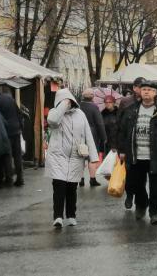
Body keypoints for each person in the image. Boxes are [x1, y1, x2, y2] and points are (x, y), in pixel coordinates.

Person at [117, 81, 157, 225]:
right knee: (137, 184)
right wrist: (122, 150)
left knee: (156, 186)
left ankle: (155, 212)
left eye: (149, 90)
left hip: (156, 155)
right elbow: (123, 131)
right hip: (135, 154)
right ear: (139, 91)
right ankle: (141, 205)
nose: (146, 92)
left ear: (155, 93)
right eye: (144, 89)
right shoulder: (132, 109)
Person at [45, 89, 100, 228]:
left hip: (76, 157)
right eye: (65, 100)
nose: (68, 103)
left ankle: (71, 215)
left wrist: (93, 157)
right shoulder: (55, 113)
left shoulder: (80, 114)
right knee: (59, 187)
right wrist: (62, 106)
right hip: (58, 157)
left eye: (69, 100)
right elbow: (52, 121)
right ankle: (57, 216)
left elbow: (88, 134)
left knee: (71, 188)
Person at [117, 77, 145, 210]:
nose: (144, 90)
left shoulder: (148, 103)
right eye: (141, 87)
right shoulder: (126, 102)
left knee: (142, 176)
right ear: (135, 88)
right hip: (128, 146)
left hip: (143, 146)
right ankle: (129, 196)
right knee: (130, 174)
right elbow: (120, 127)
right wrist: (120, 149)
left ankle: (140, 200)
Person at [0, 85, 23, 187]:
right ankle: (20, 179)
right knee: (17, 156)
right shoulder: (9, 97)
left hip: (6, 132)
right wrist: (20, 126)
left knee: (7, 155)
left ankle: (9, 179)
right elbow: (19, 113)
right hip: (16, 130)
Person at [79, 89, 106, 187]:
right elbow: (99, 123)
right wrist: (104, 137)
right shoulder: (94, 107)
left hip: (79, 134)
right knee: (92, 157)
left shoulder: (78, 106)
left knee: (81, 156)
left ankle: (80, 179)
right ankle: (92, 179)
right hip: (92, 134)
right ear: (92, 97)